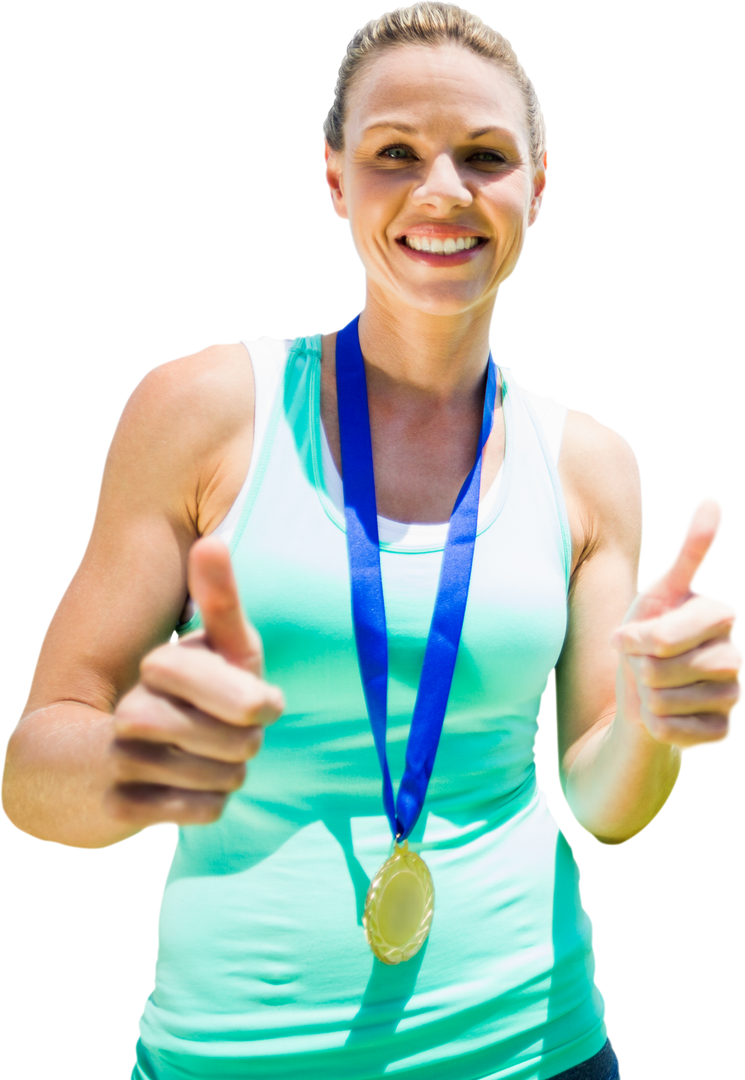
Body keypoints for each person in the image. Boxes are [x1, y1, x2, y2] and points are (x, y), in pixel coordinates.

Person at [2, 3, 742, 1078]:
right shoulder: (205, 410)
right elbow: (30, 774)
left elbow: (602, 801)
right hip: (231, 1060)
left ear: (537, 184)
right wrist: (133, 762)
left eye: (484, 156)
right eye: (395, 153)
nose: (442, 189)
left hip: (538, 1049)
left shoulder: (591, 462)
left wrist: (657, 716)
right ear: (335, 178)